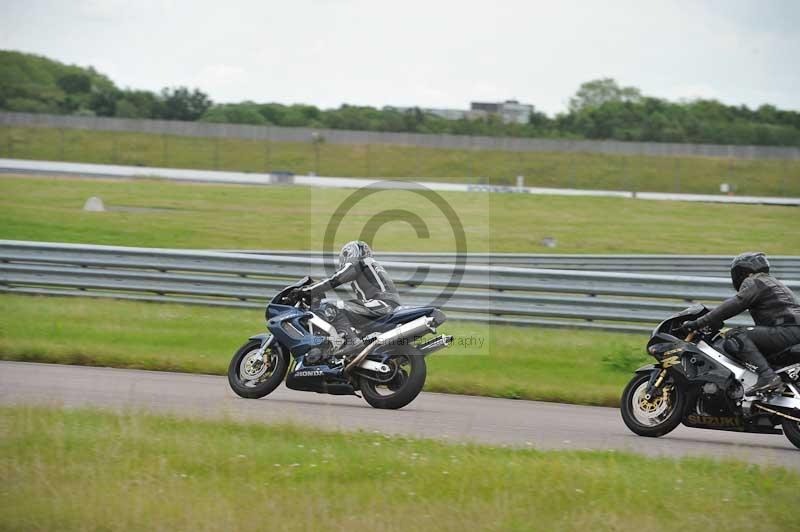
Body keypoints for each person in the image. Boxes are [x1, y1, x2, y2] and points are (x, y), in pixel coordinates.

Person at [678, 252, 800, 394]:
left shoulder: (754, 281)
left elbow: (733, 305)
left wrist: (698, 323)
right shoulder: (773, 282)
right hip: (790, 331)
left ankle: (768, 376)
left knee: (735, 334)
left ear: (740, 272)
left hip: (787, 331)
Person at [298, 240, 400, 361]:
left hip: (381, 304)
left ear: (351, 253)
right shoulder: (372, 266)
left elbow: (336, 279)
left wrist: (308, 289)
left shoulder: (360, 263)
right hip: (387, 305)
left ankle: (352, 341)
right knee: (354, 321)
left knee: (332, 305)